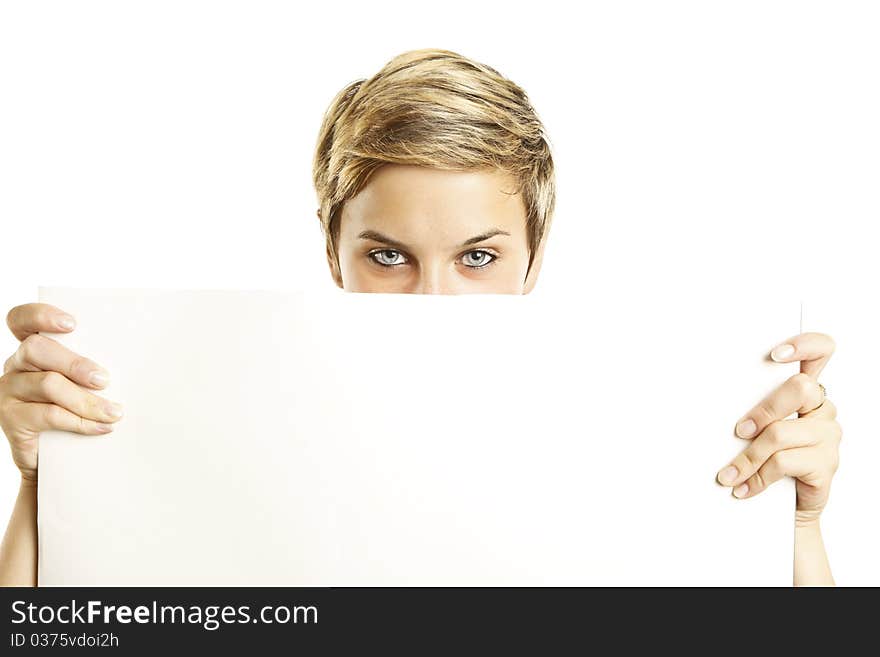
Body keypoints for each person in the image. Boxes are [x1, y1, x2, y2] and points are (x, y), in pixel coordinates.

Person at [0, 49, 841, 586]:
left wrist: (795, 524)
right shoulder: (225, 437)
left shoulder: (625, 444)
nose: (433, 302)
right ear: (334, 254)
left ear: (533, 259)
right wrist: (49, 485)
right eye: (388, 256)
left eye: (477, 257)